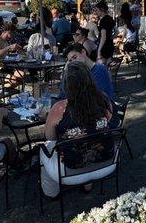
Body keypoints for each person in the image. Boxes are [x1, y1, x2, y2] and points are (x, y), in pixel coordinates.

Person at [40, 62, 113, 197]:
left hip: (71, 169)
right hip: (106, 162)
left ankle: (51, 193)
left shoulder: (59, 108)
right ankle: (87, 184)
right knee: (90, 139)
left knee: (45, 148)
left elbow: (50, 137)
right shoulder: (103, 98)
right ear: (89, 78)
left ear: (66, 83)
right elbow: (107, 120)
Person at [0, 22, 24, 89]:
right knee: (15, 81)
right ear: (9, 31)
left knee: (22, 74)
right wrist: (9, 47)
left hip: (4, 66)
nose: (14, 35)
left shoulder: (5, 41)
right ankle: (2, 90)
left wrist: (17, 51)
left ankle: (6, 89)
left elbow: (4, 55)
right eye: (13, 33)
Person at [93, 0, 115, 65]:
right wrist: (110, 38)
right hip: (110, 44)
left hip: (104, 46)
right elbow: (116, 31)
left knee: (101, 67)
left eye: (97, 10)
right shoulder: (110, 18)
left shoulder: (103, 20)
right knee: (107, 67)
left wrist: (99, 51)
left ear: (102, 10)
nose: (95, 12)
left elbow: (103, 37)